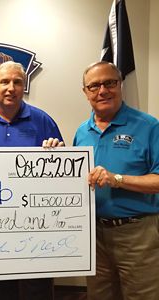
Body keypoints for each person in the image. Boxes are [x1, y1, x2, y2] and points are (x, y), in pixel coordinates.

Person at [0, 61, 64, 300]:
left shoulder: (43, 120)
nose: (11, 88)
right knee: (0, 287)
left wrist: (56, 151)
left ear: (24, 86)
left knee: (37, 287)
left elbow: (63, 170)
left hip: (36, 223)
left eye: (17, 82)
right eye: (4, 82)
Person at [73, 61, 159, 300]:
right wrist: (55, 157)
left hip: (137, 234)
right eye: (94, 86)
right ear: (85, 92)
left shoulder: (149, 126)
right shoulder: (82, 131)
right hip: (94, 235)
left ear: (120, 85)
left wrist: (117, 179)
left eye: (109, 83)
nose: (102, 91)